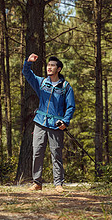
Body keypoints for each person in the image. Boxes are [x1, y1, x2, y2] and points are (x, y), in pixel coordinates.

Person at [22, 53, 75, 192]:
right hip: (40, 122)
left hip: (56, 125)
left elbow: (70, 107)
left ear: (59, 69)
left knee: (56, 154)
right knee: (37, 153)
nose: (49, 68)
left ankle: (58, 184)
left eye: (52, 66)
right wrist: (28, 62)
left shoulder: (66, 87)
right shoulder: (41, 82)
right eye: (48, 65)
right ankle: (37, 183)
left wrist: (65, 121)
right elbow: (26, 73)